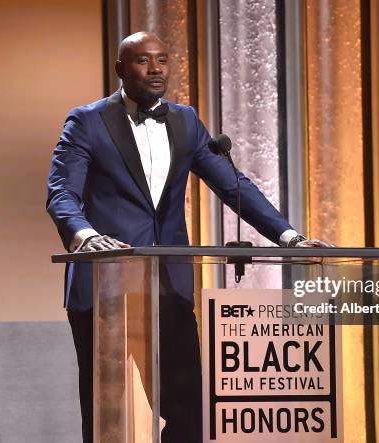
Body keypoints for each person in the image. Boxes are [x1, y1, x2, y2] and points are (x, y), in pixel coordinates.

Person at [47, 31, 330, 443]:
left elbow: (235, 186)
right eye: (143, 61)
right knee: (106, 415)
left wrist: (289, 238)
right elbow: (62, 191)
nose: (156, 69)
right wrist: (86, 237)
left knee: (188, 413)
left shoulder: (185, 121)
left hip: (168, 288)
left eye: (162, 60)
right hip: (104, 291)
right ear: (120, 69)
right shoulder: (87, 121)